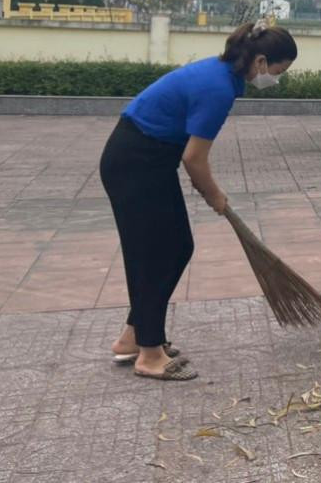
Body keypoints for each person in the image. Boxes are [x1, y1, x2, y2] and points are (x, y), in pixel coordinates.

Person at [100, 21, 298, 381]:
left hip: (150, 161)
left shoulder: (223, 75)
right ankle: (149, 353)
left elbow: (189, 153)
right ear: (261, 61)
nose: (276, 79)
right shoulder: (218, 87)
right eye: (278, 71)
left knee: (174, 249)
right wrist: (215, 194)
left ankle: (134, 337)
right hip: (135, 163)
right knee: (155, 253)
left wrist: (208, 189)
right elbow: (194, 158)